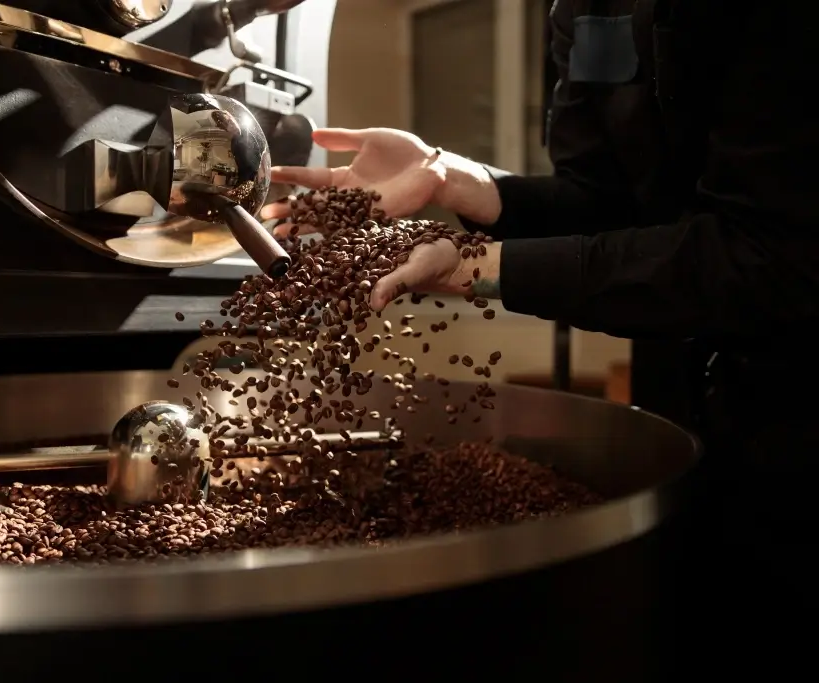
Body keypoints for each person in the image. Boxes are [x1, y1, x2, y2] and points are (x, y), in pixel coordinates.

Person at [262, 0, 819, 664]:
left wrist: (478, 264)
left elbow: (769, 258)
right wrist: (464, 182)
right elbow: (606, 206)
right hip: (692, 420)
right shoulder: (584, 10)